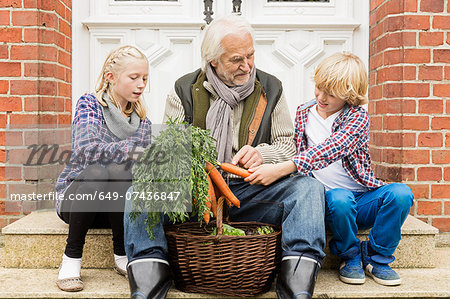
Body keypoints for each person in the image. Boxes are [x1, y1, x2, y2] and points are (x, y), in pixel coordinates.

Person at [124, 15, 326, 299]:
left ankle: (297, 285)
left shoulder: (271, 88)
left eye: (251, 55)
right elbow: (170, 151)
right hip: (196, 195)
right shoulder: (183, 90)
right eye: (236, 60)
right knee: (140, 193)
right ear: (213, 61)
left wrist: (262, 154)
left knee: (309, 189)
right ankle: (148, 280)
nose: (247, 65)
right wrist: (197, 168)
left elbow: (287, 145)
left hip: (252, 191)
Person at [247, 52, 414, 286]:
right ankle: (350, 254)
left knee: (401, 194)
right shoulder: (304, 112)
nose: (321, 97)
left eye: (331, 93)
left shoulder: (357, 117)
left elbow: (333, 148)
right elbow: (295, 148)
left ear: (349, 95)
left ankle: (378, 257)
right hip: (329, 201)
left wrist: (284, 168)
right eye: (319, 88)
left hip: (362, 199)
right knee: (339, 198)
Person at [55, 45, 151, 292]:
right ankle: (71, 258)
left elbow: (140, 166)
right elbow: (87, 151)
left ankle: (121, 252)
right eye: (134, 78)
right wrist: (130, 149)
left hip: (115, 210)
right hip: (79, 201)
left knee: (120, 172)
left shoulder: (142, 119)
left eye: (144, 78)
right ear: (111, 77)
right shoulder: (90, 104)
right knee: (99, 170)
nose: (141, 84)